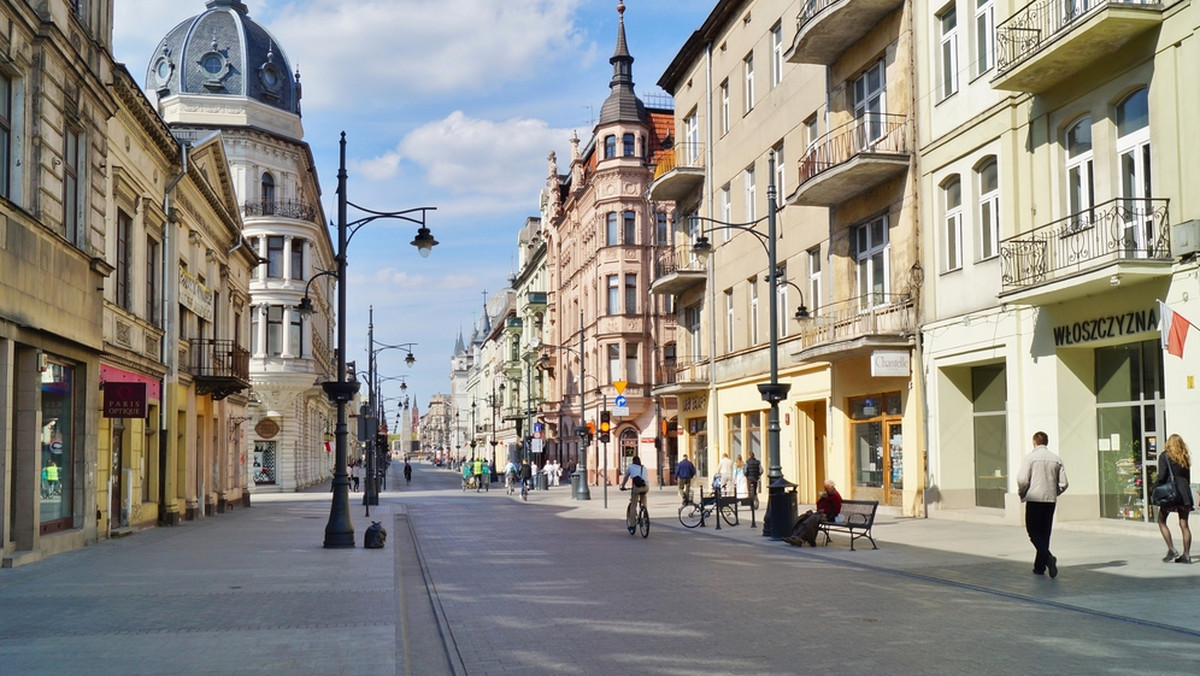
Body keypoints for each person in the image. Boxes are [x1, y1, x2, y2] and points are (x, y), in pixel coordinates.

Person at [1017, 431, 1069, 578]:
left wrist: (1022, 492)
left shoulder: (1030, 458)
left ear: (1034, 442)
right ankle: (1039, 567)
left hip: (1034, 499)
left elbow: (1022, 479)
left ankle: (1048, 557)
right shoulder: (1056, 459)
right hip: (1050, 500)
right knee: (1045, 533)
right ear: (1047, 442)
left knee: (1033, 532)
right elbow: (1064, 483)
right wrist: (1054, 492)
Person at [1156, 434, 1193, 564]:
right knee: (1184, 524)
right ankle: (1187, 555)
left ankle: (1171, 549)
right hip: (1184, 493)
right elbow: (1188, 478)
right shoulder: (1185, 457)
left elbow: (1162, 476)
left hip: (1171, 493)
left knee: (1161, 520)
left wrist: (1156, 487)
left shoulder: (1165, 456)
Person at [784, 480, 842, 546]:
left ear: (832, 487)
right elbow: (818, 505)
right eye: (825, 488)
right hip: (820, 513)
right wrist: (822, 499)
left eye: (827, 488)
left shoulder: (835, 496)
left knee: (810, 520)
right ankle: (794, 536)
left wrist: (824, 511)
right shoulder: (827, 495)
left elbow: (836, 510)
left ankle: (801, 539)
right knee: (804, 516)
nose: (825, 490)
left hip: (829, 516)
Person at [620, 455, 650, 532]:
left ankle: (632, 526)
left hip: (637, 488)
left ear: (633, 461)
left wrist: (622, 486)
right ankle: (645, 513)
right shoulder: (644, 467)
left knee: (633, 506)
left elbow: (626, 477)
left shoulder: (630, 467)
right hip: (646, 487)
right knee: (643, 499)